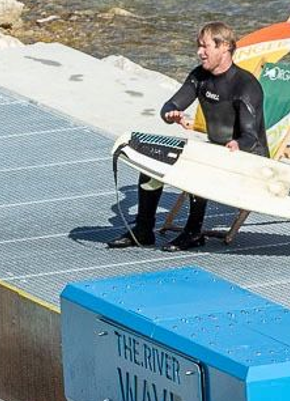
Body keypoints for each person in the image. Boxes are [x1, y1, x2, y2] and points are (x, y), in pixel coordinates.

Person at [108, 22, 265, 251]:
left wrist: (237, 144)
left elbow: (251, 136)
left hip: (248, 158)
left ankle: (193, 233)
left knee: (196, 168)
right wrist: (171, 113)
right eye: (198, 46)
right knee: (151, 165)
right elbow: (170, 104)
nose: (199, 52)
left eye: (205, 47)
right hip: (215, 150)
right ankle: (143, 230)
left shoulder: (246, 85)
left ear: (225, 47)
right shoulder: (200, 76)